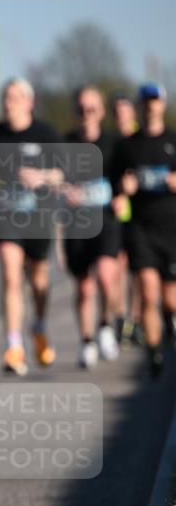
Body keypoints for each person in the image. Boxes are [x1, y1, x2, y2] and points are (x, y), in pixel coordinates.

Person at [0, 78, 63, 375]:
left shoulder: (46, 134)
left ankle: (39, 326)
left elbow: (61, 175)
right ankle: (14, 346)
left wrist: (41, 176)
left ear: (29, 102)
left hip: (39, 216)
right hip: (7, 217)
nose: (8, 102)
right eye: (5, 96)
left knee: (39, 280)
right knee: (11, 274)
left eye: (14, 97)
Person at [110, 83, 176, 378]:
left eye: (155, 101)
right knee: (147, 291)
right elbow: (113, 186)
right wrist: (122, 191)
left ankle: (170, 322)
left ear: (162, 104)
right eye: (146, 101)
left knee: (170, 297)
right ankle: (154, 351)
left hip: (171, 227)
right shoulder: (127, 146)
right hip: (140, 228)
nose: (151, 106)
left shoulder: (173, 140)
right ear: (140, 105)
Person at [62, 86, 121, 368]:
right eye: (82, 109)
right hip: (77, 224)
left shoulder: (115, 143)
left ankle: (106, 324)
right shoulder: (66, 143)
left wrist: (124, 192)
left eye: (92, 109)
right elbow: (54, 178)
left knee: (107, 277)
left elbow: (127, 174)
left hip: (106, 220)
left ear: (102, 112)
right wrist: (64, 189)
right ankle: (86, 341)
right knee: (84, 288)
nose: (87, 114)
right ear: (75, 112)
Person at [110, 91, 142, 347]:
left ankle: (136, 316)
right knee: (118, 266)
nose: (121, 115)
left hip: (141, 213)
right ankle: (121, 318)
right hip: (118, 212)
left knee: (138, 270)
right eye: (117, 111)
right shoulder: (112, 142)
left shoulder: (140, 138)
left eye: (125, 110)